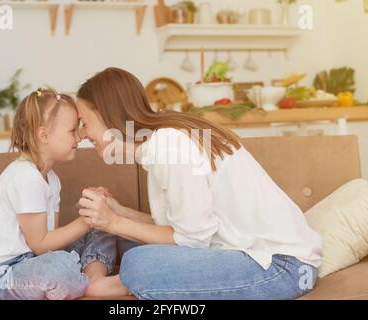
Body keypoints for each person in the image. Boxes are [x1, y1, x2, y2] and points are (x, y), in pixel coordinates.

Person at [75, 67, 322, 300]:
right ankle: (97, 278)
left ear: (104, 113)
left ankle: (103, 285)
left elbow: (192, 240)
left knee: (138, 262)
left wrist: (114, 221)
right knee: (119, 234)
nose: (83, 134)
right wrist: (118, 213)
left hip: (280, 267)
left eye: (84, 122)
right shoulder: (159, 143)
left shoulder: (170, 146)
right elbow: (180, 227)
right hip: (242, 253)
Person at [0, 87, 116, 300]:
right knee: (59, 268)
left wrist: (90, 210)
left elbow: (49, 241)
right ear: (44, 135)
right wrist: (87, 220)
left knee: (104, 226)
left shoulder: (51, 179)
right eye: (72, 130)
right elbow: (41, 245)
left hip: (35, 260)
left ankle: (93, 278)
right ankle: (80, 277)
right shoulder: (25, 177)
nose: (80, 136)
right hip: (3, 274)